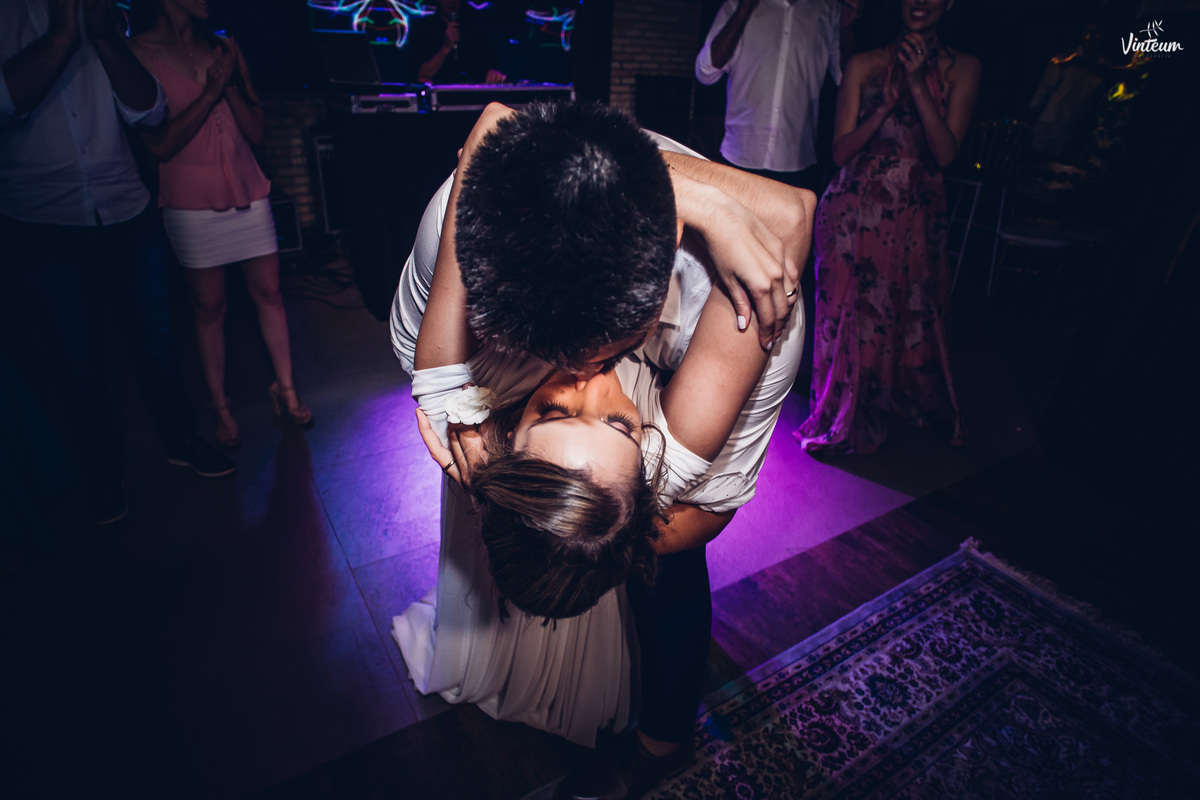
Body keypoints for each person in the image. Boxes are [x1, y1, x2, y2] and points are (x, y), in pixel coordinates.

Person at [389, 102, 812, 798]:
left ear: (502, 438)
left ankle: (661, 732)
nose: (589, 384)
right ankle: (664, 733)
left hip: (567, 215)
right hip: (673, 386)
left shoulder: (445, 338)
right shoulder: (737, 342)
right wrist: (699, 200)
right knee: (667, 560)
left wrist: (636, 182)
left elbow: (494, 122)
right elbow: (792, 214)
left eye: (554, 411)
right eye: (618, 425)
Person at [0, 0, 234, 525]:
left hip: (126, 206)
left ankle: (180, 438)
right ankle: (101, 473)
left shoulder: (107, 15)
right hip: (40, 216)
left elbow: (149, 112)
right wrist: (61, 38)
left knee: (158, 339)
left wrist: (104, 36)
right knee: (76, 358)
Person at [795, 0, 979, 455]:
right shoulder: (864, 64)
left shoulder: (965, 68)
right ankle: (844, 412)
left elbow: (946, 153)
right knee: (847, 317)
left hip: (918, 210)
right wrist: (883, 109)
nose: (920, 1)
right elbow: (840, 152)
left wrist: (917, 84)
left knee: (914, 313)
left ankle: (895, 400)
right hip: (853, 210)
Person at [129, 0, 312, 448]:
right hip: (190, 200)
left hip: (248, 190)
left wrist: (228, 87)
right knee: (209, 306)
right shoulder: (138, 53)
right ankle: (220, 404)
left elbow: (257, 130)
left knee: (270, 293)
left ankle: (286, 389)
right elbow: (159, 144)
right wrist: (209, 93)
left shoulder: (225, 47)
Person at [695, 0, 860, 190]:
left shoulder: (828, 9)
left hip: (796, 160)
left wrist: (845, 30)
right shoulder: (736, 4)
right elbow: (705, 73)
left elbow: (844, 79)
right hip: (740, 154)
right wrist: (744, 9)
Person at [408, 0, 506, 85]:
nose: (451, 2)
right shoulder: (422, 29)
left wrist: (494, 75)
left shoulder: (476, 28)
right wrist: (446, 48)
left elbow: (493, 66)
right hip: (438, 95)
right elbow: (420, 74)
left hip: (472, 94)